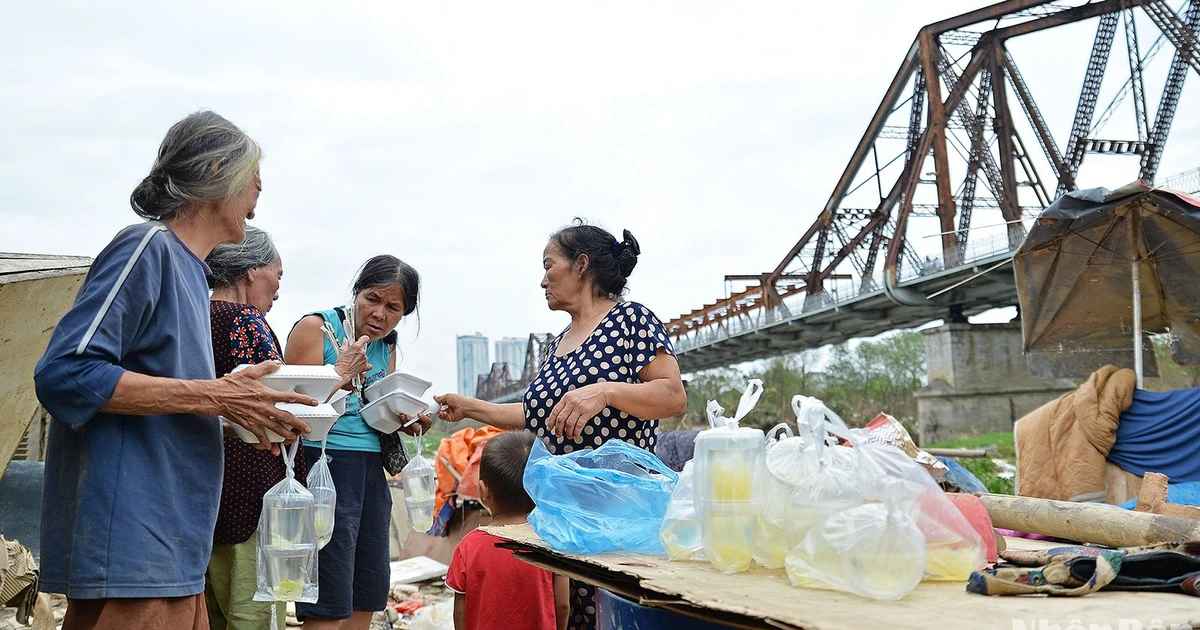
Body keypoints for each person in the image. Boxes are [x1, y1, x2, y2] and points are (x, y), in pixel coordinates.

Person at [33, 111, 316, 630]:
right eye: (254, 177)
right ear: (215, 171)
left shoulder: (193, 274)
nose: (259, 192)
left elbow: (174, 397)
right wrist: (216, 397)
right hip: (135, 543)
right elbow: (66, 374)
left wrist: (241, 412)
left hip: (180, 539)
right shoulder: (147, 249)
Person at [435, 220, 687, 630]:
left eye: (549, 266)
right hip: (561, 520)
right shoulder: (558, 343)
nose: (542, 280)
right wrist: (470, 408)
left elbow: (673, 395)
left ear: (581, 266)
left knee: (611, 616)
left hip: (615, 519)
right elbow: (536, 415)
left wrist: (605, 391)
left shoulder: (631, 321)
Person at [202, 226, 369, 630]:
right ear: (250, 272)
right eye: (277, 274)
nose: (278, 287)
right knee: (252, 612)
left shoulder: (195, 315)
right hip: (248, 493)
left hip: (205, 492)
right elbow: (277, 407)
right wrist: (340, 374)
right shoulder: (245, 320)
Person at [285, 255, 432, 630]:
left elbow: (374, 411)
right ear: (356, 292)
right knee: (329, 592)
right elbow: (292, 409)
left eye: (393, 307)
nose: (380, 313)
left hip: (371, 470)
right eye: (373, 299)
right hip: (326, 464)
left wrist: (406, 419)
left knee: (368, 585)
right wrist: (341, 373)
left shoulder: (388, 345)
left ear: (404, 314)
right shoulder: (317, 329)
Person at [446, 431, 568, 630]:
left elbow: (460, 612)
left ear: (484, 490)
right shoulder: (552, 540)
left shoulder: (469, 546)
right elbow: (562, 605)